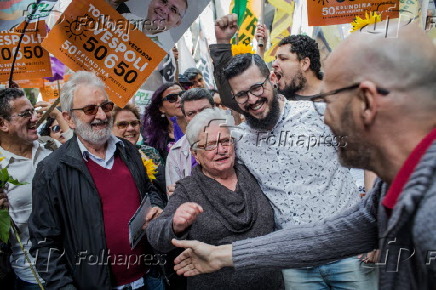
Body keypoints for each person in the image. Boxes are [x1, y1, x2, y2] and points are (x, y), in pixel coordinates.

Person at [172, 21, 436, 289]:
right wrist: (221, 255)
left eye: (329, 98)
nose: (323, 115)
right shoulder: (389, 191)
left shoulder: (429, 211)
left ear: (366, 100)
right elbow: (324, 237)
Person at [206, 14, 376, 289]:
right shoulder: (241, 142)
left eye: (257, 88)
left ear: (272, 79)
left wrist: (372, 226)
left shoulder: (318, 113)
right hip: (297, 265)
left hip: (349, 253)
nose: (252, 100)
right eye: (241, 95)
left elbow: (369, 156)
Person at [29, 71, 166, 289]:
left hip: (150, 279)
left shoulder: (129, 151)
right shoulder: (51, 171)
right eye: (90, 109)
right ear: (68, 119)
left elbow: (150, 191)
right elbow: (44, 245)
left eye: (106, 106)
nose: (101, 115)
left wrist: (156, 208)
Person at [148, 108, 283, 289]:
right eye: (210, 145)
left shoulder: (253, 173)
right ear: (195, 154)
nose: (221, 150)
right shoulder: (188, 189)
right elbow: (156, 235)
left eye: (225, 141)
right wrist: (174, 224)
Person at [0, 88, 53, 289]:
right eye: (25, 114)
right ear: (2, 123)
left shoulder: (51, 147)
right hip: (31, 276)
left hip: (75, 267)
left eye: (34, 111)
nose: (35, 118)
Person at [112, 104, 167, 202]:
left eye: (134, 123)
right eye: (122, 125)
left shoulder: (150, 152)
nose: (130, 128)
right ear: (110, 129)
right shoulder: (107, 158)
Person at [165, 88, 215, 192]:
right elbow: (174, 196)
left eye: (204, 110)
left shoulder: (237, 139)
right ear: (185, 117)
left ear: (215, 109)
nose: (199, 117)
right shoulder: (176, 152)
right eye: (191, 113)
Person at [142, 82, 187, 162]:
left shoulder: (201, 129)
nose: (179, 99)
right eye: (172, 98)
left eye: (182, 95)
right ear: (161, 108)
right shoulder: (153, 140)